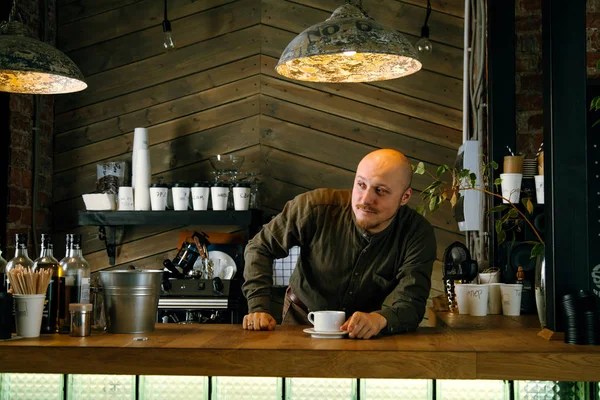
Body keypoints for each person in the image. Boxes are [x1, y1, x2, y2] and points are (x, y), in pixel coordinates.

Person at [241, 149, 437, 339]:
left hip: (363, 331)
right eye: (361, 184)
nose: (366, 199)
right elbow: (259, 247)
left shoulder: (417, 234)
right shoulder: (314, 207)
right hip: (300, 320)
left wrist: (380, 320)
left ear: (405, 197)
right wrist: (258, 308)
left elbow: (411, 305)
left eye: (380, 190)